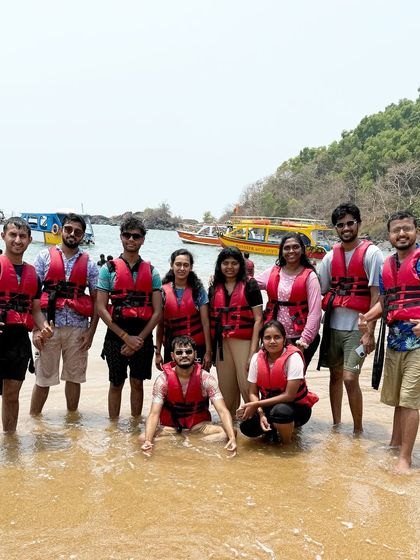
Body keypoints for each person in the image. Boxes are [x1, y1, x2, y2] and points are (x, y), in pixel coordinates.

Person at [359, 210, 420, 473]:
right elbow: (386, 302)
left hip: (417, 342)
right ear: (389, 236)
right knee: (397, 399)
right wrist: (366, 319)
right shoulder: (388, 265)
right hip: (394, 340)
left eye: (406, 228)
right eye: (396, 230)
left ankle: (405, 460)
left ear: (416, 231)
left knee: (410, 400)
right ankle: (395, 445)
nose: (402, 234)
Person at [317, 203, 383, 433]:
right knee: (334, 376)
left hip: (358, 330)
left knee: (349, 378)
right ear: (336, 229)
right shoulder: (329, 257)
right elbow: (319, 289)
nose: (345, 228)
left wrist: (370, 332)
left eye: (350, 223)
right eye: (340, 225)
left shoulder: (372, 254)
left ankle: (358, 430)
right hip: (333, 327)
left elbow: (377, 294)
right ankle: (336, 426)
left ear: (358, 224)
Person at [30, 213, 99, 415]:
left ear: (82, 235)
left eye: (77, 232)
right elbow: (33, 297)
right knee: (43, 379)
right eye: (68, 229)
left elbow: (98, 302)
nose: (72, 234)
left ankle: (72, 422)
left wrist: (91, 333)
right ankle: (34, 421)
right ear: (61, 230)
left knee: (74, 378)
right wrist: (36, 329)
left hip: (78, 329)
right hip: (48, 327)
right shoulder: (43, 257)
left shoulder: (90, 264)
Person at [96, 217, 162, 419]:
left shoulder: (152, 272)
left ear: (143, 240)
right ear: (121, 237)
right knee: (116, 383)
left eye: (136, 236)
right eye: (127, 235)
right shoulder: (108, 269)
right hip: (116, 334)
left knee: (137, 382)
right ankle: (113, 428)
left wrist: (137, 340)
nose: (131, 239)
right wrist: (126, 337)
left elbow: (158, 312)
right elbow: (100, 307)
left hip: (143, 335)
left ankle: (135, 426)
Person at [140, 335, 237, 455]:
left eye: (188, 352)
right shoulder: (162, 380)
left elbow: (222, 411)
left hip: (199, 427)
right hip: (171, 428)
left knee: (231, 432)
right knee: (142, 438)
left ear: (195, 354)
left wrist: (232, 438)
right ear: (172, 356)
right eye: (179, 352)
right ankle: (190, 444)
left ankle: (184, 443)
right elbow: (154, 414)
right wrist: (148, 441)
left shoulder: (206, 378)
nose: (184, 355)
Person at [0, 217, 53, 431]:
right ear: (3, 236)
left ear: (30, 240)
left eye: (22, 236)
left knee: (12, 394)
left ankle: (10, 440)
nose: (17, 240)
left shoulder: (34, 275)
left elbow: (36, 310)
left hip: (19, 340)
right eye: (13, 235)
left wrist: (43, 326)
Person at [237, 320, 318, 443]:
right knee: (246, 426)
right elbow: (253, 392)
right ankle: (272, 431)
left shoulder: (294, 358)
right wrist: (260, 414)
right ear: (262, 341)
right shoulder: (256, 359)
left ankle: (287, 444)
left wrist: (256, 405)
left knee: (280, 412)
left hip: (297, 407)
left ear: (284, 339)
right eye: (267, 338)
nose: (272, 341)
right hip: (270, 406)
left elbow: (289, 396)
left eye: (277, 337)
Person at [209, 247, 263, 418]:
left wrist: (252, 353)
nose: (230, 267)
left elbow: (258, 319)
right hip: (222, 345)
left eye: (234, 263)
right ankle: (230, 428)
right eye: (225, 263)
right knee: (226, 390)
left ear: (241, 265)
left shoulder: (250, 285)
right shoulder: (214, 287)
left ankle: (254, 427)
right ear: (220, 265)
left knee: (247, 387)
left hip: (245, 342)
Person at [255, 233, 321, 368]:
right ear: (281, 251)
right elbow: (249, 284)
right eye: (287, 248)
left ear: (302, 250)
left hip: (299, 338)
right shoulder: (272, 272)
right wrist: (220, 278)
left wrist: (303, 342)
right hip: (275, 338)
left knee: (294, 381)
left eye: (296, 247)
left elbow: (315, 313)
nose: (291, 251)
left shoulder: (310, 277)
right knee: (272, 378)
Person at [155, 249, 212, 372]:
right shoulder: (162, 291)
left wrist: (208, 352)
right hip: (172, 348)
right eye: (178, 264)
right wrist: (158, 352)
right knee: (173, 386)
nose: (182, 268)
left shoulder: (198, 291)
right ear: (171, 265)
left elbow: (206, 323)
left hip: (196, 347)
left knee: (198, 385)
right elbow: (160, 325)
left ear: (191, 267)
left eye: (186, 265)